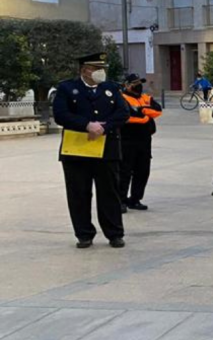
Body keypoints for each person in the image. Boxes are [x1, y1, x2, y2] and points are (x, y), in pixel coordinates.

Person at [52, 52, 128, 249]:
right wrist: (86, 124)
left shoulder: (111, 88)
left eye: (102, 69)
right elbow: (60, 114)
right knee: (79, 193)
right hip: (76, 150)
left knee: (109, 193)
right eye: (96, 69)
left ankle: (114, 234)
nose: (100, 73)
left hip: (106, 149)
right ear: (84, 70)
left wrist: (105, 127)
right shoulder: (67, 88)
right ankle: (84, 234)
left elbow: (123, 112)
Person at [118, 73, 162, 212]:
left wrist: (143, 111)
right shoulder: (121, 98)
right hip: (127, 140)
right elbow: (125, 117)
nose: (138, 86)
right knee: (124, 172)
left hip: (144, 141)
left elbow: (157, 110)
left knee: (142, 171)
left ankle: (135, 199)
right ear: (126, 85)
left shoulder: (146, 98)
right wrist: (144, 118)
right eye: (134, 83)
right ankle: (121, 201)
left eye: (139, 83)